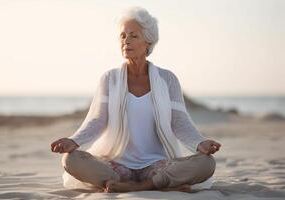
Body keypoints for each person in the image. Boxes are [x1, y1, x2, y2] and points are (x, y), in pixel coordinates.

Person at [50, 6, 221, 193]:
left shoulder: (167, 79)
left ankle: (139, 186)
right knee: (70, 159)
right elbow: (97, 120)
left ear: (148, 41)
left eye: (133, 36)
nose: (126, 41)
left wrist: (199, 142)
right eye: (123, 36)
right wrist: (73, 141)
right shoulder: (110, 78)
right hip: (117, 166)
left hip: (156, 165)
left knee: (206, 163)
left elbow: (179, 123)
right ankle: (155, 185)